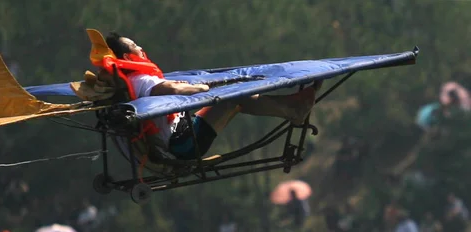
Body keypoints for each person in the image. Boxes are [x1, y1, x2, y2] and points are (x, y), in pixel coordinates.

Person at [104, 32, 322, 160]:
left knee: (235, 100)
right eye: (134, 46)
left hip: (181, 134)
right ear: (126, 56)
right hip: (184, 143)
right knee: (234, 96)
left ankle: (291, 105)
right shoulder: (142, 80)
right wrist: (201, 89)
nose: (140, 47)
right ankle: (293, 110)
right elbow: (170, 90)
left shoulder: (130, 81)